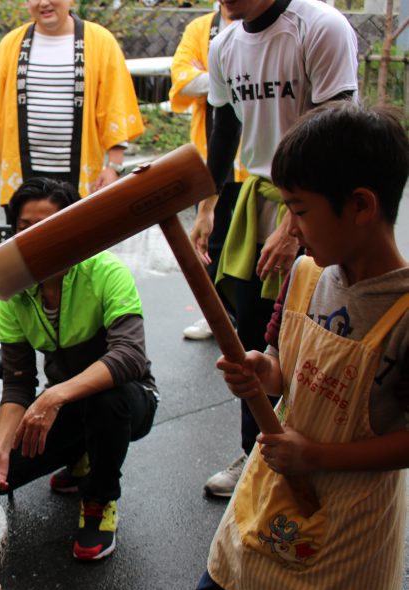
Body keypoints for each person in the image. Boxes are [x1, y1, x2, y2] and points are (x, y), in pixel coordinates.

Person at [185, 102, 409, 590]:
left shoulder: (403, 314)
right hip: (274, 489)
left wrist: (318, 457)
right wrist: (265, 372)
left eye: (299, 210)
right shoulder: (307, 275)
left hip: (351, 521)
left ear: (360, 205)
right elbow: (292, 371)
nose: (291, 228)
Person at [189, 0, 358, 498]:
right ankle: (257, 449)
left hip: (320, 204)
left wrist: (295, 223)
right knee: (251, 340)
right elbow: (224, 132)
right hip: (255, 201)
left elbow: (336, 133)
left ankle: (321, 452)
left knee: (316, 335)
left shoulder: (319, 26)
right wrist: (206, 207)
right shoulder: (224, 44)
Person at [0, 177, 158, 561]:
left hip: (129, 400)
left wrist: (54, 397)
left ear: (72, 227)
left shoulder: (105, 271)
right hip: (67, 406)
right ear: (14, 234)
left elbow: (130, 356)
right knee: (3, 476)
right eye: (26, 228)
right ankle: (81, 454)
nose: (39, 237)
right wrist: (0, 446)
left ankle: (99, 499)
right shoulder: (14, 292)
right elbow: (19, 383)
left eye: (51, 226)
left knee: (108, 402)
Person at [0, 0, 143, 225]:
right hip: (22, 173)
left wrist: (114, 167)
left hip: (80, 175)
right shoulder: (11, 44)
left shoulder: (100, 42)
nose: (44, 3)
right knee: (27, 253)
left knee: (79, 251)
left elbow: (114, 105)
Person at [168, 2, 244, 342]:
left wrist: (212, 74)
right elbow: (181, 80)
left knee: (248, 243)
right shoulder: (201, 28)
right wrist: (230, 74)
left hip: (254, 164)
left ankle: (248, 314)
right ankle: (219, 315)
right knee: (210, 240)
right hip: (210, 157)